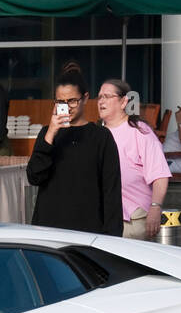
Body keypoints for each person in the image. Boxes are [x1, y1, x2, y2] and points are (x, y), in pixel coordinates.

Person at [26, 68, 123, 236]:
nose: (66, 107)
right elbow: (34, 176)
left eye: (72, 101)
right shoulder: (47, 134)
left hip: (89, 231)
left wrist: (112, 238)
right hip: (48, 230)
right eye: (60, 102)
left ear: (85, 98)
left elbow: (111, 192)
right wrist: (50, 134)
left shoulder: (101, 137)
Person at [98, 78, 170, 240]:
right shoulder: (97, 134)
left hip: (133, 218)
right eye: (99, 97)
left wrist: (155, 207)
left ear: (124, 102)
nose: (101, 101)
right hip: (103, 217)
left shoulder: (140, 131)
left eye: (107, 96)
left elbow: (160, 174)